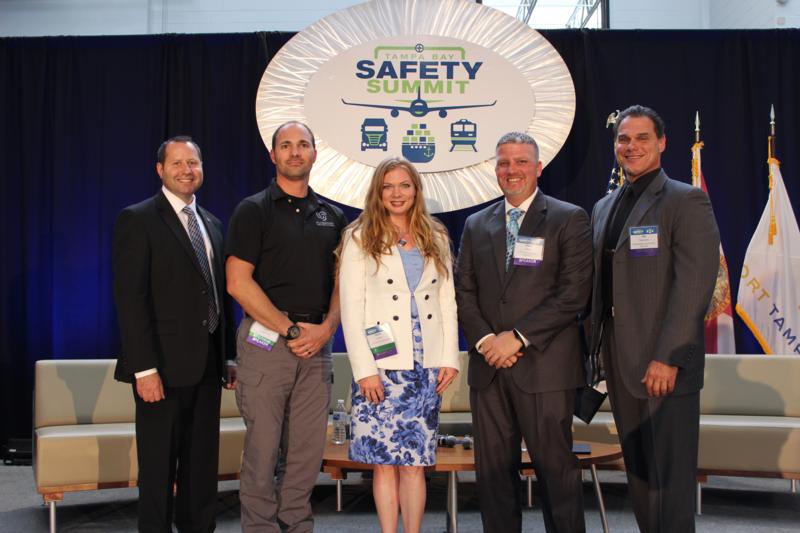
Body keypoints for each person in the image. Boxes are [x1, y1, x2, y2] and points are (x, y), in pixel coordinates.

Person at [587, 105, 720, 532]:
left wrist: (668, 357)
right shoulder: (604, 207)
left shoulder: (686, 200)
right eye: (623, 139)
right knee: (641, 478)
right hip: (620, 363)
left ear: (661, 143)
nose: (632, 146)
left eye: (642, 138)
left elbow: (694, 286)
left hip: (665, 366)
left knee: (670, 483)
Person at [455, 132, 592, 533]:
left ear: (538, 168)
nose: (511, 170)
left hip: (545, 368)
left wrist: (515, 337)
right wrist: (487, 342)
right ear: (495, 168)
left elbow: (574, 293)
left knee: (556, 473)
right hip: (489, 370)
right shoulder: (476, 224)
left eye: (520, 162)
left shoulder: (568, 218)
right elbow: (463, 292)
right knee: (494, 476)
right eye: (504, 163)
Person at [225, 121, 347, 532]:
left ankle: (296, 526)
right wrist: (290, 330)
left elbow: (341, 283)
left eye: (303, 145)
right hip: (267, 344)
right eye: (286, 145)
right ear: (273, 155)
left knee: (306, 454)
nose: (295, 152)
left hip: (317, 347)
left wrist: (327, 329)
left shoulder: (333, 216)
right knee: (262, 451)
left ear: (315, 153)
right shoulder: (253, 210)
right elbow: (238, 283)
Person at [113, 135, 236, 532]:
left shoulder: (212, 223)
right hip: (160, 369)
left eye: (193, 163)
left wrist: (228, 355)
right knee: (158, 465)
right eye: (178, 163)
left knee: (202, 464)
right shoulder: (138, 219)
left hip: (207, 365)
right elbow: (131, 300)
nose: (187, 170)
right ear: (160, 170)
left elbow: (219, 294)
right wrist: (144, 369)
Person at [338, 157, 460, 533]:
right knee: (384, 463)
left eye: (404, 185)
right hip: (381, 366)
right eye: (388, 186)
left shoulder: (435, 235)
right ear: (377, 192)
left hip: (425, 363)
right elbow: (351, 309)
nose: (396, 193)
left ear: (416, 190)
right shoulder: (359, 237)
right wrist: (365, 372)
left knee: (414, 462)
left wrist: (449, 358)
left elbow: (447, 301)